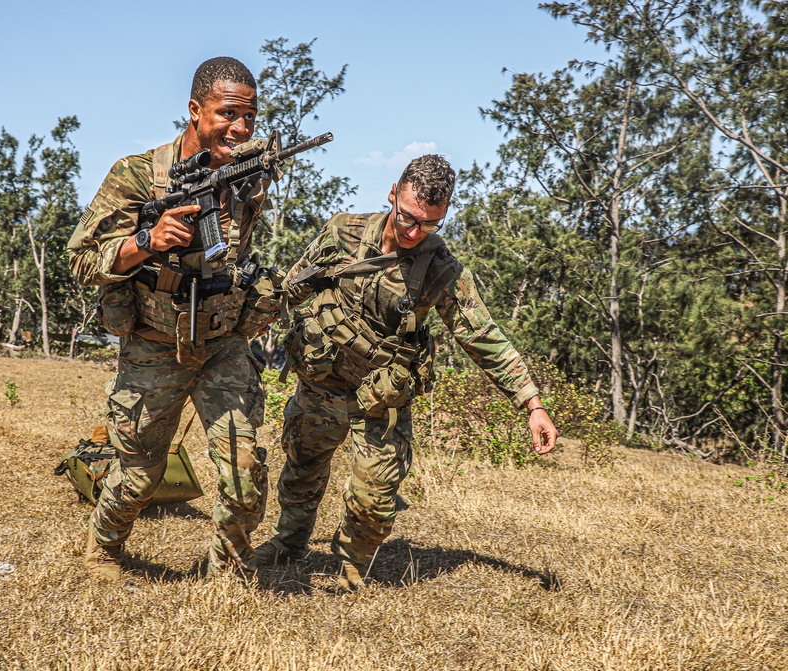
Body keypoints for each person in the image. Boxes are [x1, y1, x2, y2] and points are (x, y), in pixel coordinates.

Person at [252, 154, 558, 589]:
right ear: (393, 195)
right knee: (302, 467)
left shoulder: (441, 270)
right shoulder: (344, 230)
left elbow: (483, 335)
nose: (414, 233)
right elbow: (297, 284)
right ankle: (289, 542)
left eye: (429, 225)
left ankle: (352, 564)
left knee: (376, 499)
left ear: (444, 216)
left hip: (381, 396)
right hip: (322, 379)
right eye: (407, 218)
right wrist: (242, 325)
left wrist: (532, 404)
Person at [67, 57, 275, 581]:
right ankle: (103, 548)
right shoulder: (135, 174)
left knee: (243, 468)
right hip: (156, 342)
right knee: (139, 472)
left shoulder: (245, 171)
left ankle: (226, 572)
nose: (242, 128)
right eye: (229, 114)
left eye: (250, 116)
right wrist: (146, 241)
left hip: (222, 341)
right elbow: (80, 260)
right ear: (194, 110)